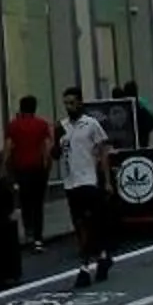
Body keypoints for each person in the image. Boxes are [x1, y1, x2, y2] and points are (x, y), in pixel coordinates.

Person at [56, 88, 117, 284]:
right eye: (66, 103)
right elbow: (55, 154)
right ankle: (100, 256)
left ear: (80, 103)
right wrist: (55, 140)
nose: (69, 107)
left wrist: (107, 181)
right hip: (70, 180)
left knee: (91, 222)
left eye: (72, 103)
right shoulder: (62, 126)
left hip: (88, 179)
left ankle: (86, 265)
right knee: (79, 223)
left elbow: (103, 152)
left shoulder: (91, 124)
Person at [3, 93, 57, 248]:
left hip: (21, 169)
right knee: (38, 203)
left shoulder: (13, 125)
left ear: (21, 108)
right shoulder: (42, 124)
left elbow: (8, 148)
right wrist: (47, 165)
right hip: (38, 168)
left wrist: (4, 166)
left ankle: (28, 231)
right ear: (34, 108)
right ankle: (38, 237)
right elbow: (47, 147)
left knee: (25, 201)